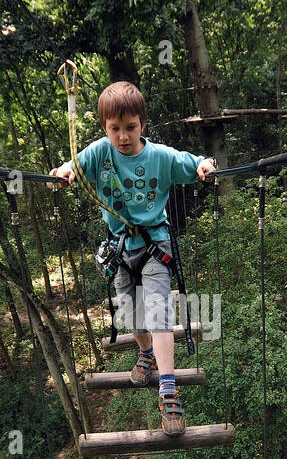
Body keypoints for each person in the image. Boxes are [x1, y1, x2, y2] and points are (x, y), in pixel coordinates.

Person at [50, 81, 217, 436]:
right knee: (131, 313)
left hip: (156, 243)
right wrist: (65, 171)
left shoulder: (158, 156)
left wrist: (205, 165)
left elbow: (191, 162)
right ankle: (147, 353)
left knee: (158, 313)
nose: (123, 136)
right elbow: (74, 164)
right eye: (115, 129)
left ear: (142, 124)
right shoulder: (99, 153)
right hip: (121, 249)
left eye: (130, 127)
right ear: (105, 128)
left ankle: (169, 393)